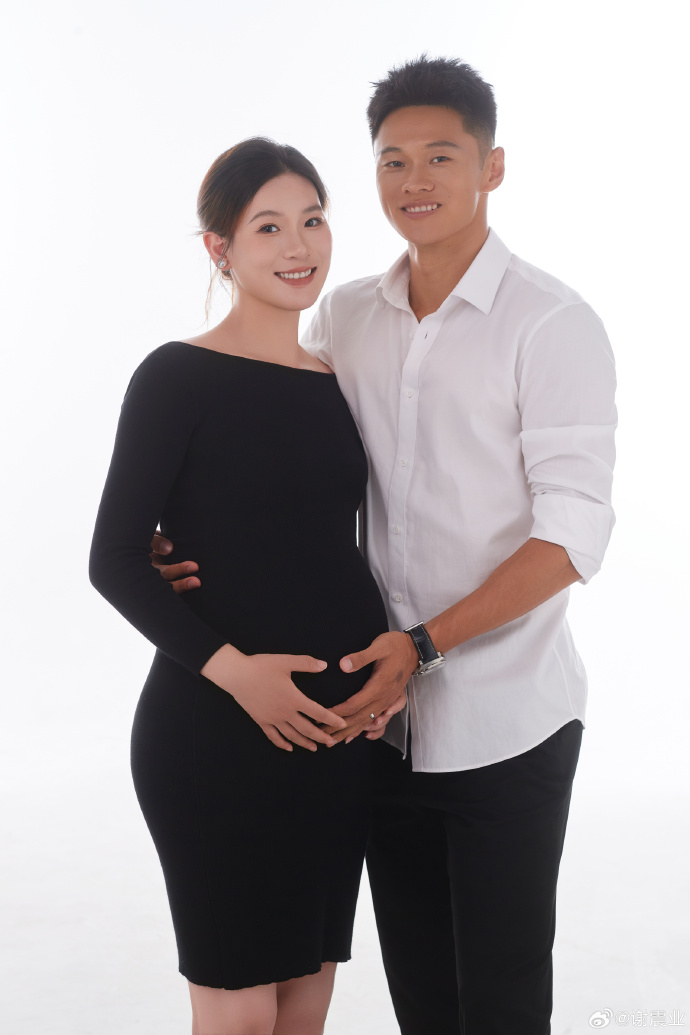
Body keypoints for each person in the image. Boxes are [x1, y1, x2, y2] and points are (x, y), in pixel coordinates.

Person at [155, 57, 617, 1033]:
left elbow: (572, 536)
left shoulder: (553, 324)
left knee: (500, 1006)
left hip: (505, 719)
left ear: (492, 168)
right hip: (371, 728)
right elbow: (285, 464)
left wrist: (423, 646)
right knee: (423, 1003)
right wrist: (182, 536)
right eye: (392, 160)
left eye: (441, 156)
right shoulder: (345, 316)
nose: (415, 180)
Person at [89, 138, 389, 1035]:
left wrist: (383, 677)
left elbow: (326, 545)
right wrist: (239, 673)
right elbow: (114, 558)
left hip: (335, 744)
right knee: (239, 1014)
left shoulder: (335, 380)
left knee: (305, 1007)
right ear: (219, 248)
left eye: (313, 220)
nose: (299, 246)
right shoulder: (176, 377)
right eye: (268, 227)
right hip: (214, 736)